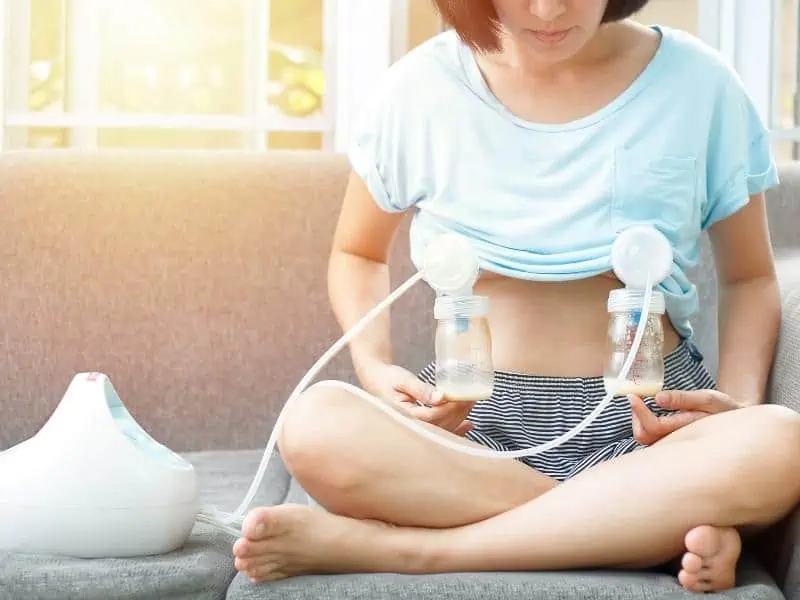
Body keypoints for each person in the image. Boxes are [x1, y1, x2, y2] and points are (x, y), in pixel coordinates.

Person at [233, 0, 800, 592]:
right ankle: (639, 529)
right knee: (314, 423)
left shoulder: (701, 85)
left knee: (780, 440)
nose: (549, 9)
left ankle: (410, 551)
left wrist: (733, 405)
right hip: (470, 428)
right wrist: (374, 367)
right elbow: (358, 253)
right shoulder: (419, 89)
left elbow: (749, 278)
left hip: (648, 427)